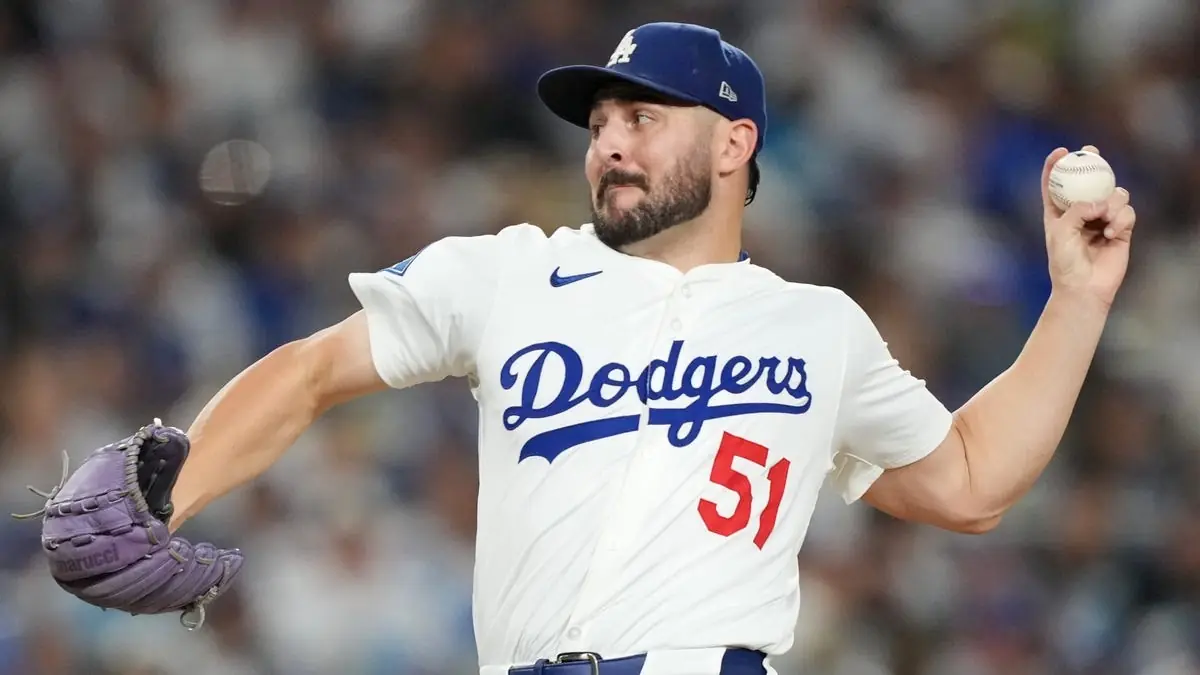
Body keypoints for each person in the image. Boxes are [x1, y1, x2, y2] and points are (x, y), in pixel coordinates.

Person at [26, 21, 1137, 675]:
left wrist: (1077, 302)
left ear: (736, 143)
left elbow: (971, 482)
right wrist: (172, 491)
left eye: (643, 118)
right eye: (600, 123)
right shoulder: (508, 272)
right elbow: (312, 370)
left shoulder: (817, 327)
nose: (609, 142)